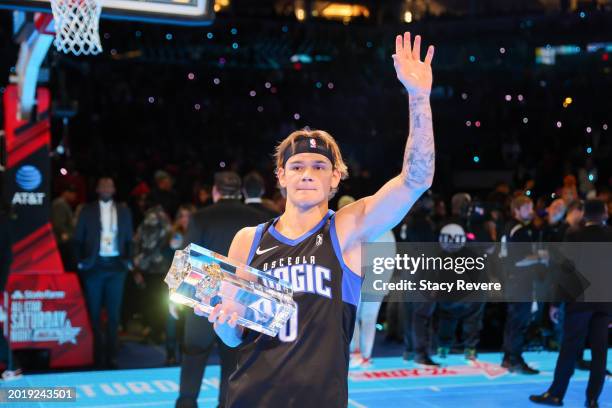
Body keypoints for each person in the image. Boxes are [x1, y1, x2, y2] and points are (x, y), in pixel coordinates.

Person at [201, 32, 436, 407]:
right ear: (281, 176)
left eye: (318, 166)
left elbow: (416, 179)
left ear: (335, 177)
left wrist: (418, 95)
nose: (307, 173)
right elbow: (232, 336)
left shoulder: (348, 228)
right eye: (296, 166)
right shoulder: (248, 239)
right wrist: (224, 321)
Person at [176, 172, 268, 408]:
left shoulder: (200, 218)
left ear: (215, 191)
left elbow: (186, 262)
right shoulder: (260, 219)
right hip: (239, 305)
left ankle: (187, 402)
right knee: (232, 361)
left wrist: (175, 299)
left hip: (202, 302)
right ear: (240, 192)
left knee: (193, 358)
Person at [529, 199, 611, 407]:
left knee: (569, 348)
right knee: (599, 352)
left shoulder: (574, 235)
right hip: (604, 304)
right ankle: (592, 399)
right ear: (604, 213)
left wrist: (555, 303)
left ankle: (556, 394)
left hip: (579, 302)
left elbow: (564, 271)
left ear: (584, 214)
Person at [74, 177, 133, 369]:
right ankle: (98, 357)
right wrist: (81, 262)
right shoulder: (87, 210)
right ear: (98, 189)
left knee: (114, 316)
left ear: (114, 189)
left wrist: (129, 261)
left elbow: (130, 239)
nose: (107, 188)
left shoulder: (124, 210)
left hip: (116, 266)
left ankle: (112, 357)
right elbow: (77, 239)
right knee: (94, 314)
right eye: (103, 185)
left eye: (110, 185)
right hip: (95, 266)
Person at [338, 195, 396, 369]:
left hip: (365, 274)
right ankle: (364, 355)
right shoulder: (384, 226)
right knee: (365, 316)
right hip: (375, 275)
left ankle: (358, 353)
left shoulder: (360, 227)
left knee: (356, 314)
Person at [500, 194, 546, 374]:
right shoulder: (519, 230)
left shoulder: (509, 227)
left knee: (513, 321)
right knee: (519, 321)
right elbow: (518, 260)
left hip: (512, 280)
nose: (532, 211)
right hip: (520, 280)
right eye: (527, 208)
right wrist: (541, 257)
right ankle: (515, 360)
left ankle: (507, 357)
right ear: (517, 210)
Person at [51, 185, 78, 270]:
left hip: (64, 241)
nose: (74, 196)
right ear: (66, 193)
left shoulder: (63, 204)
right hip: (62, 242)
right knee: (66, 267)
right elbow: (58, 224)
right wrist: (66, 236)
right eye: (72, 193)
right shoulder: (60, 204)